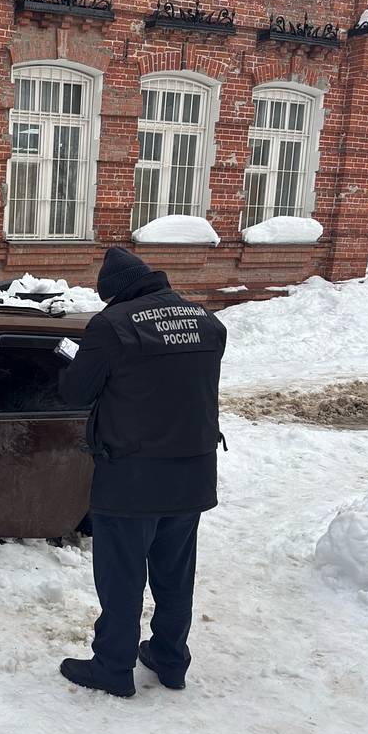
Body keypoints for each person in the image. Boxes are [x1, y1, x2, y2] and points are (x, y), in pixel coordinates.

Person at [57, 247, 227, 698]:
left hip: (130, 476)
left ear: (113, 293)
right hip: (192, 472)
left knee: (122, 577)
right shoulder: (206, 321)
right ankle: (170, 661)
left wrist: (72, 362)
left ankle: (113, 667)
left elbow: (76, 391)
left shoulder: (111, 325)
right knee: (175, 575)